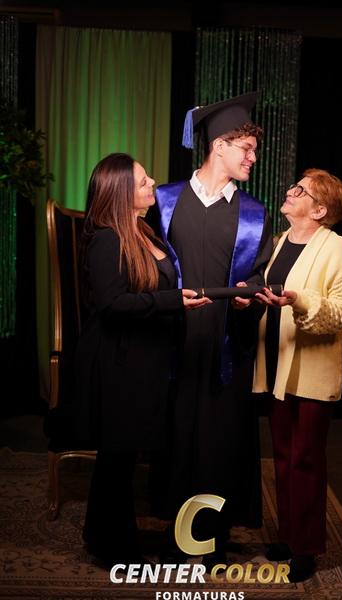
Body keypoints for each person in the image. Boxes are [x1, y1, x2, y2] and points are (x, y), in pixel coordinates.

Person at [146, 92, 273, 568]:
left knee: (219, 444)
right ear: (219, 145)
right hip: (174, 342)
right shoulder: (165, 201)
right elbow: (147, 266)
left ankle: (211, 540)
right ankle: (176, 537)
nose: (253, 158)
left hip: (225, 344)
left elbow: (257, 275)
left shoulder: (254, 213)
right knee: (177, 438)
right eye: (247, 149)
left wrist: (247, 297)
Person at [74, 152, 209, 567]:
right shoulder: (106, 239)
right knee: (117, 457)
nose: (152, 182)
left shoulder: (143, 230)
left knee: (123, 456)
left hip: (147, 359)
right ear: (120, 192)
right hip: (120, 364)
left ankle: (101, 536)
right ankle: (114, 548)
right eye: (142, 180)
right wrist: (172, 301)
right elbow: (112, 304)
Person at [252, 168, 342, 582]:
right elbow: (269, 291)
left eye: (301, 190)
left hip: (312, 372)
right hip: (277, 364)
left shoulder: (337, 248)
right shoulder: (281, 242)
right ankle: (288, 535)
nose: (290, 192)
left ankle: (307, 547)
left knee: (305, 460)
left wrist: (300, 299)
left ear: (319, 210)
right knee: (281, 457)